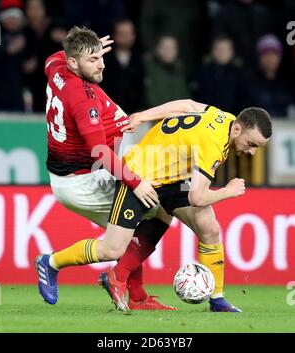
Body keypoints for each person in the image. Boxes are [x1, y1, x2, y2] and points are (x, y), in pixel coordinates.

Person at [35, 26, 198, 310]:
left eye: (100, 57)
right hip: (85, 179)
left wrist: (89, 47)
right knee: (130, 234)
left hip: (80, 173)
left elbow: (54, 55)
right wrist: (136, 182)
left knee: (138, 226)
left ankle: (136, 297)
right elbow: (99, 152)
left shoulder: (57, 65)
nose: (102, 64)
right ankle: (51, 262)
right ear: (74, 63)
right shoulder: (84, 101)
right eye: (93, 60)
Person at [97, 104, 272, 313]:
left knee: (208, 227)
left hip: (171, 176)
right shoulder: (213, 144)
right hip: (141, 174)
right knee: (112, 248)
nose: (252, 152)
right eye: (252, 144)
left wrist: (143, 115)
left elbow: (186, 104)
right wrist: (228, 191)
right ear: (237, 129)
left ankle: (217, 299)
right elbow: (197, 197)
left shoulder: (223, 117)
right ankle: (53, 262)